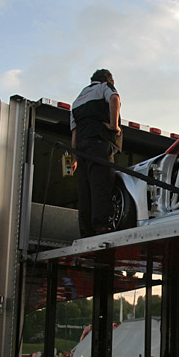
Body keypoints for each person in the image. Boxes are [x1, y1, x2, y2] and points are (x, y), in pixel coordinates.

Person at [70, 69, 122, 237]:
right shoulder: (104, 87)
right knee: (101, 183)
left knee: (85, 189)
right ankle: (101, 225)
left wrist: (75, 157)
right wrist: (114, 126)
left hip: (81, 147)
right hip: (99, 143)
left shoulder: (77, 100)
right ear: (108, 80)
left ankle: (86, 230)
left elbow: (74, 132)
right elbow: (115, 99)